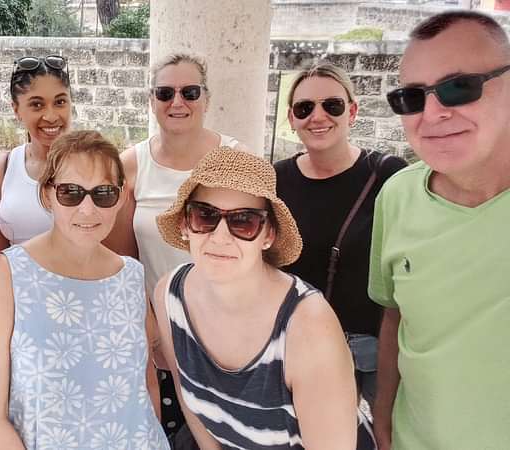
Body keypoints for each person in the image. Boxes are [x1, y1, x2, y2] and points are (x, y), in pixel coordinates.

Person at [154, 147, 375, 450]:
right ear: (184, 224)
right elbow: (189, 400)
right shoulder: (169, 296)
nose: (220, 236)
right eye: (205, 216)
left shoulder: (308, 327)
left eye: (243, 221)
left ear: (268, 235)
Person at [0, 130, 168, 450]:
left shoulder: (131, 276)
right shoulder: (7, 275)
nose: (88, 210)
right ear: (47, 195)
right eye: (71, 193)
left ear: (120, 196)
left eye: (103, 194)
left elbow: (144, 386)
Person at [369, 11, 510, 450]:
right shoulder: (397, 195)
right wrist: (383, 419)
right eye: (411, 97)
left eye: (459, 87)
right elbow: (396, 317)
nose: (432, 113)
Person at [104, 53, 242, 442]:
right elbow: (123, 261)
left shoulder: (235, 160)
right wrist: (153, 331)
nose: (177, 102)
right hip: (157, 335)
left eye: (189, 92)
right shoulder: (131, 165)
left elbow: (253, 258)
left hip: (225, 336)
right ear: (151, 101)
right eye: (165, 93)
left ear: (206, 99)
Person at [274, 63, 406, 410]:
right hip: (304, 341)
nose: (318, 116)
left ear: (353, 110)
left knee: (385, 434)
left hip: (373, 344)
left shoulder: (387, 176)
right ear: (291, 117)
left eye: (331, 105)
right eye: (305, 108)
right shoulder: (275, 180)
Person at [0, 55, 72, 259]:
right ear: (16, 110)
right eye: (37, 105)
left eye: (60, 102)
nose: (50, 116)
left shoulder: (95, 166)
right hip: (17, 287)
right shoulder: (2, 169)